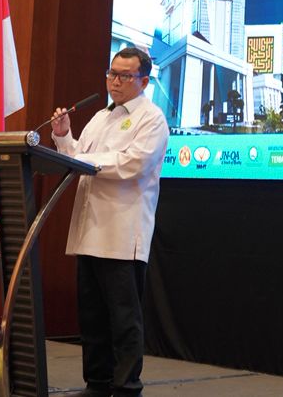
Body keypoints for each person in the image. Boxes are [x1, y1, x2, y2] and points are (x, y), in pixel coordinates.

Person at [51, 47, 169, 397]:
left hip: (121, 234)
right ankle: (97, 384)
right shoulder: (101, 117)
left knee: (123, 318)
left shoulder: (152, 119)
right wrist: (63, 135)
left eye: (124, 76)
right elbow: (76, 158)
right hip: (89, 230)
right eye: (111, 74)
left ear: (143, 81)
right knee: (92, 316)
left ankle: (127, 387)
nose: (115, 82)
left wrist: (87, 160)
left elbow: (133, 164)